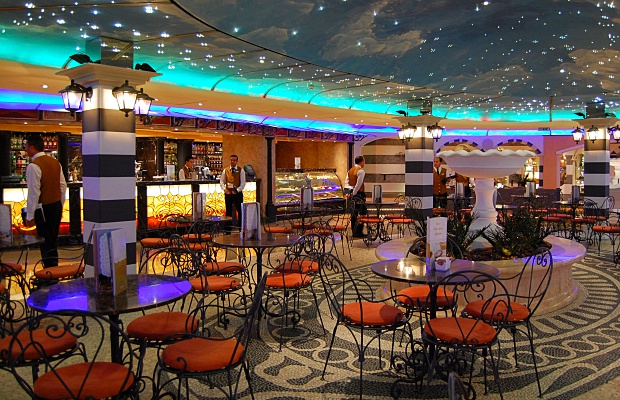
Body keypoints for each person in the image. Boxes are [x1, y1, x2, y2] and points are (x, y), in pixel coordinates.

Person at [24, 134, 67, 269]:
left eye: (26, 147)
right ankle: (53, 268)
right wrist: (60, 204)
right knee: (52, 240)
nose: (25, 150)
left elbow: (34, 193)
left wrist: (30, 216)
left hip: (43, 209)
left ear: (32, 147)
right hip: (55, 206)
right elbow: (63, 186)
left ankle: (48, 270)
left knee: (45, 241)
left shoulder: (33, 166)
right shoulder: (55, 163)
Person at [220, 154, 246, 230]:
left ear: (237, 161)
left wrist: (237, 190)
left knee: (240, 211)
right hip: (228, 194)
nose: (232, 161)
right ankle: (228, 230)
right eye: (231, 160)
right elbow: (222, 181)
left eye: (234, 160)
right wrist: (225, 189)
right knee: (228, 211)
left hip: (237, 194)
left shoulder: (241, 170)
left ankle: (241, 229)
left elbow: (243, 184)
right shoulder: (226, 170)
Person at [344, 155, 367, 238]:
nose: (364, 163)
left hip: (352, 193)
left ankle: (354, 231)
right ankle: (359, 231)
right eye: (364, 161)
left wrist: (349, 192)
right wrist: (354, 193)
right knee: (362, 212)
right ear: (361, 162)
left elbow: (347, 182)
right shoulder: (361, 171)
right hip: (359, 194)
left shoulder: (350, 170)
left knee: (354, 213)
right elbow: (359, 184)